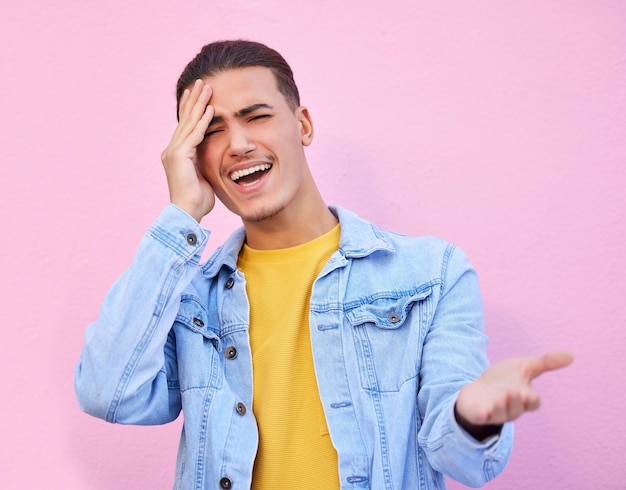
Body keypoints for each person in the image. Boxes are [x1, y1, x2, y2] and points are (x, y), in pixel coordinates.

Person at [74, 40, 573, 490]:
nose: (239, 143)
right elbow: (108, 393)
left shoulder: (430, 274)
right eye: (211, 130)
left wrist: (471, 415)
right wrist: (181, 214)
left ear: (303, 124)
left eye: (257, 115)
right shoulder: (188, 298)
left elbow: (466, 460)